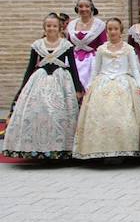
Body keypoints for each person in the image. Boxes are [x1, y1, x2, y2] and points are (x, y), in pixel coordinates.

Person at [2, 13, 83, 160]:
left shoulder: (66, 45)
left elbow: (73, 68)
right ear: (44, 28)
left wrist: (78, 87)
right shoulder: (37, 45)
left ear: (59, 28)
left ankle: (61, 149)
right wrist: (22, 88)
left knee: (59, 115)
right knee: (37, 112)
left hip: (61, 82)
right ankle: (36, 148)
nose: (51, 28)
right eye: (48, 26)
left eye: (54, 26)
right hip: (39, 80)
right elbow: (30, 67)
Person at [73, 17, 140, 160]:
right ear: (106, 31)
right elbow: (95, 70)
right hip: (103, 83)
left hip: (123, 83)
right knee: (102, 117)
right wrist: (89, 86)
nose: (112, 32)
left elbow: (135, 69)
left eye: (115, 29)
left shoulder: (128, 49)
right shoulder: (101, 49)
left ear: (121, 31)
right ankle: (102, 149)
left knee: (123, 118)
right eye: (110, 29)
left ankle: (122, 150)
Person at [67, 0, 107, 88]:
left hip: (93, 62)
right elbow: (68, 45)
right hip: (74, 61)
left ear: (91, 8)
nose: (84, 9)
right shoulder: (72, 25)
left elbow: (104, 45)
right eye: (81, 6)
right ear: (77, 8)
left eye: (87, 6)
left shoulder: (99, 25)